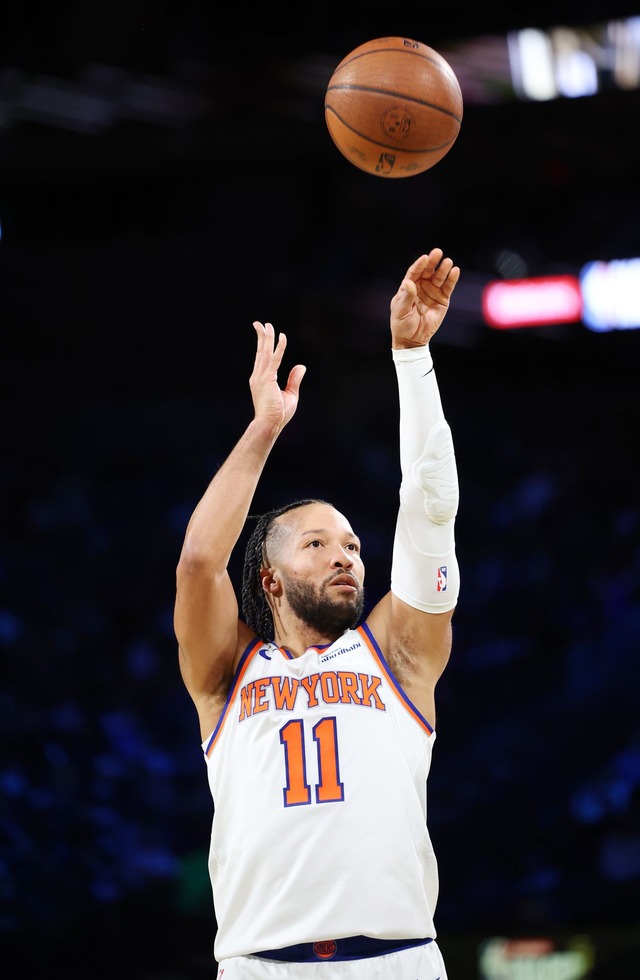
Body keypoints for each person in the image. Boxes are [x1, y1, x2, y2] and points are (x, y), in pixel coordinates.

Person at [174, 248, 461, 979]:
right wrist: (265, 427)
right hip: (260, 965)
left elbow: (431, 505)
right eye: (317, 543)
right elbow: (200, 561)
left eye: (353, 546)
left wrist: (412, 358)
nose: (345, 557)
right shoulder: (227, 671)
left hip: (397, 959)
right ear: (268, 578)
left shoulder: (396, 653)